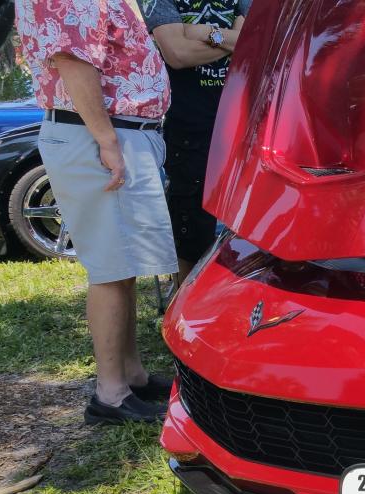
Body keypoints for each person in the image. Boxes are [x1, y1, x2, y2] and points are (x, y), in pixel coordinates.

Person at [14, 0, 176, 425]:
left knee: (121, 264)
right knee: (109, 267)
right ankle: (111, 393)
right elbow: (73, 62)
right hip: (99, 136)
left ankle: (131, 376)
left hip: (112, 134)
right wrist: (107, 142)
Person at [143, 0, 251, 287]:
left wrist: (202, 32)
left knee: (247, 228)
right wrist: (228, 40)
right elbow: (177, 54)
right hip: (189, 130)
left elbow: (252, 44)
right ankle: (184, 310)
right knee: (190, 227)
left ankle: (235, 307)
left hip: (243, 126)